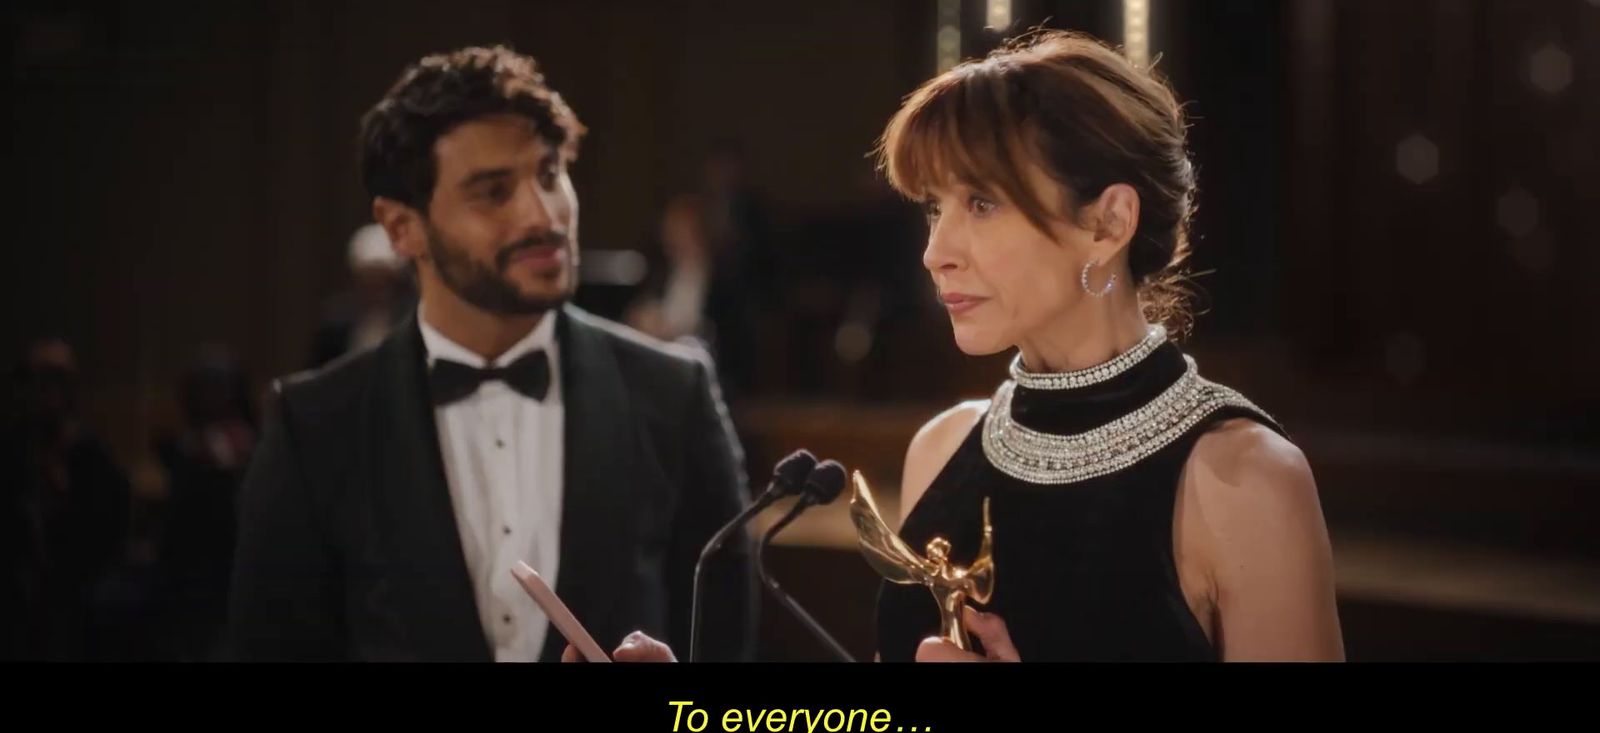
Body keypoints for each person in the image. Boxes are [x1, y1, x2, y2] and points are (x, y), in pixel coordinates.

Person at [568, 29, 1343, 663]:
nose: (936, 250)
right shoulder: (941, 446)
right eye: (935, 207)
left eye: (980, 202)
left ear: (1108, 223)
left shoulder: (1246, 481)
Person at [226, 45, 757, 662]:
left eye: (550, 174)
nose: (543, 214)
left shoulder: (676, 395)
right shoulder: (312, 424)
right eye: (492, 191)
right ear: (402, 228)